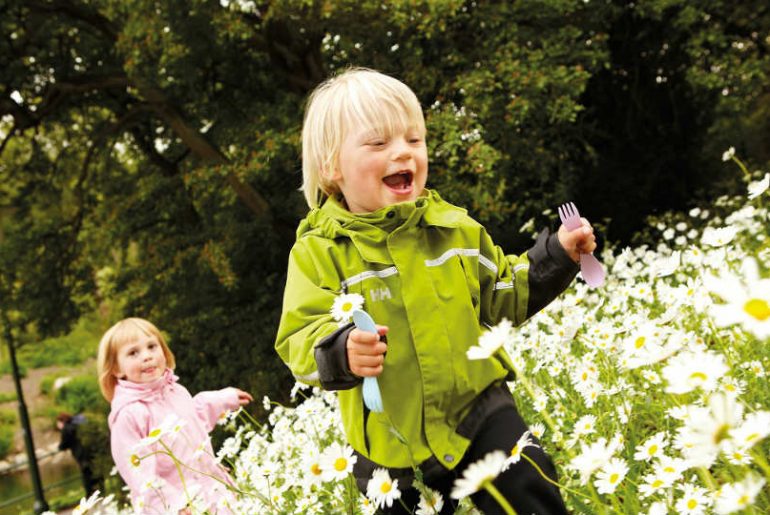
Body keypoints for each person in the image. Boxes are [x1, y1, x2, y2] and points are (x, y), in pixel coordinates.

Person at [275, 67, 597, 514]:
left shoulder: (455, 230)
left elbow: (505, 293)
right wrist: (341, 349)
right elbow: (298, 337)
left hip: (478, 410)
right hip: (388, 440)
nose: (402, 153)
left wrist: (558, 254)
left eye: (413, 139)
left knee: (531, 487)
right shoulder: (319, 252)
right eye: (378, 143)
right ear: (332, 167)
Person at [97, 317, 253, 514]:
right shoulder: (129, 414)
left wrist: (223, 399)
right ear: (116, 369)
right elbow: (139, 473)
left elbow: (194, 420)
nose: (146, 356)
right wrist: (174, 504)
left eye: (152, 347)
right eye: (133, 353)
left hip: (212, 492)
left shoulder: (176, 391)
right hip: (179, 506)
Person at [56, 412, 102, 496]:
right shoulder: (77, 424)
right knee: (94, 471)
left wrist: (60, 447)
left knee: (86, 474)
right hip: (89, 450)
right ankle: (100, 489)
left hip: (81, 454)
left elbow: (63, 444)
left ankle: (90, 494)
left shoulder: (66, 429)